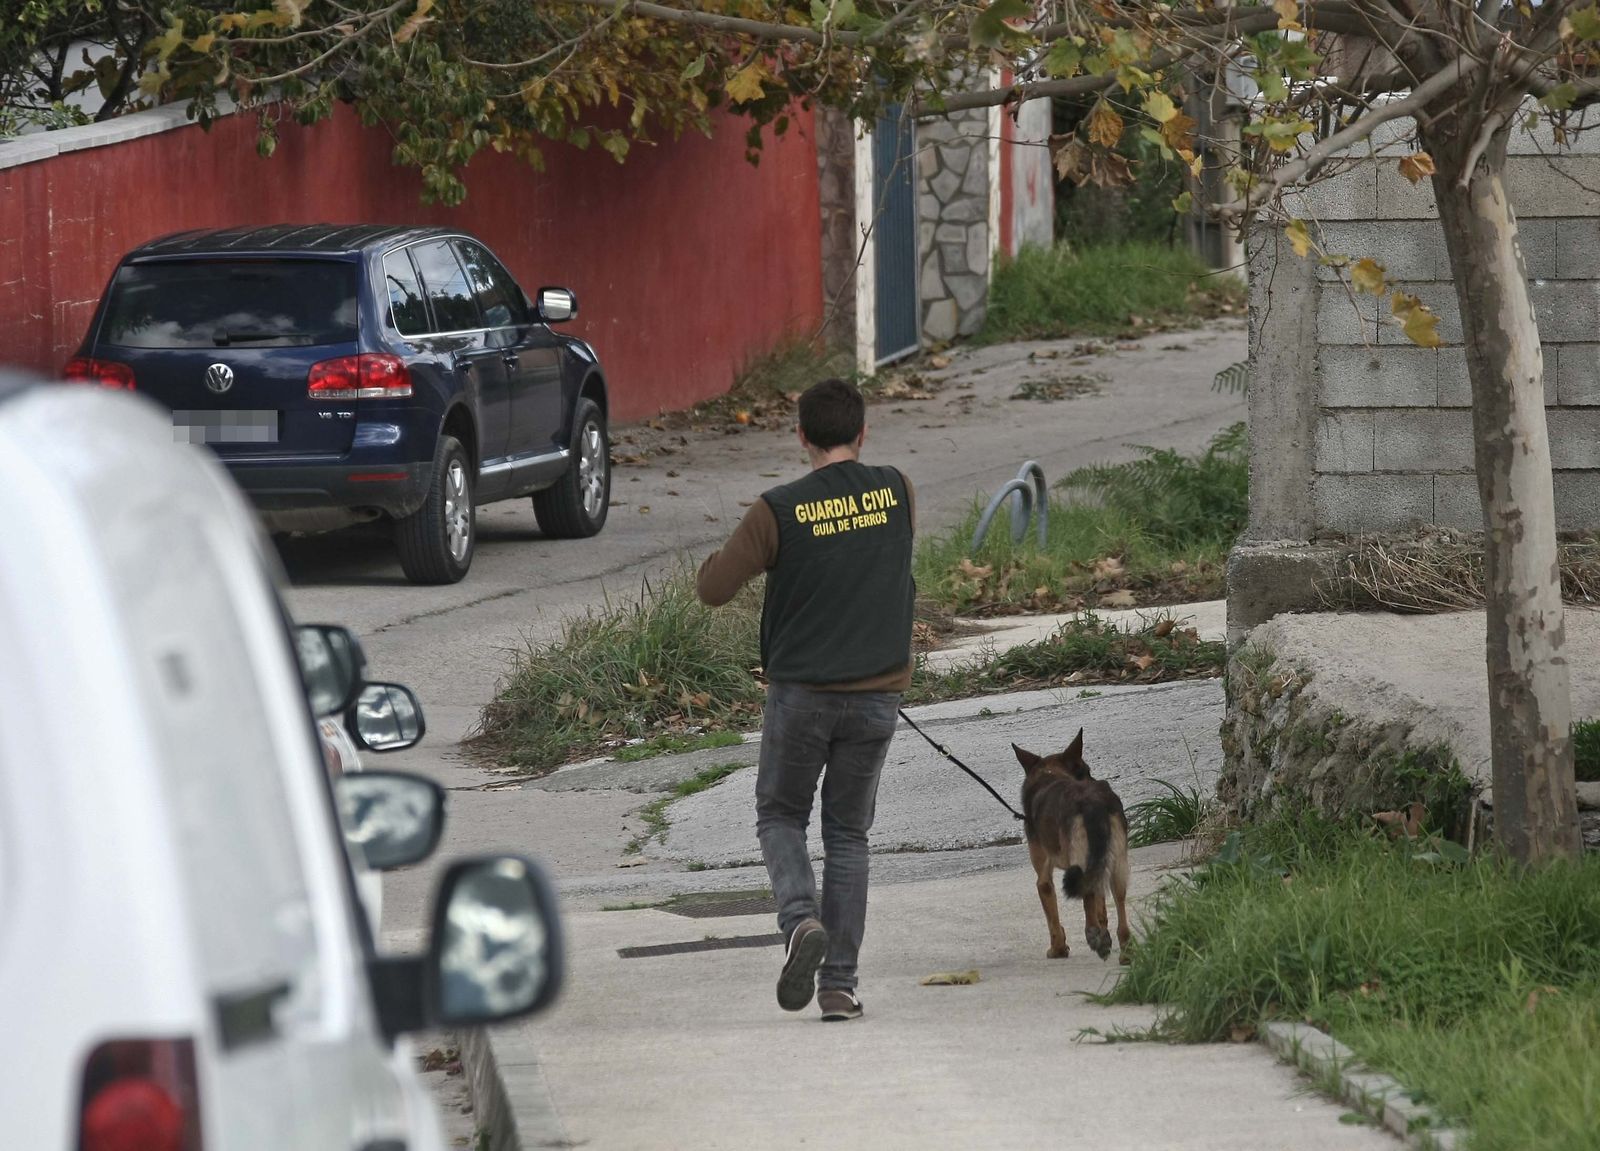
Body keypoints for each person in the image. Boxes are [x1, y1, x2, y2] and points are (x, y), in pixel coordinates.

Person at [696, 377, 915, 1022]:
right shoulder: (898, 489)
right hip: (879, 693)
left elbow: (713, 589)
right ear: (863, 432)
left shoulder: (778, 509)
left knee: (780, 816)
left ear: (801, 437)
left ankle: (798, 923)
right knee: (849, 833)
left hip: (803, 696)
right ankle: (839, 988)